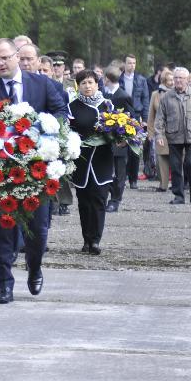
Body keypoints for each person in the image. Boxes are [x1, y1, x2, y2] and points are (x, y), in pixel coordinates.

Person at [0, 38, 68, 304]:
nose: (1, 63)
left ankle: (34, 266)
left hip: (37, 169)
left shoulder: (42, 84)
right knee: (3, 228)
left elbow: (61, 111)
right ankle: (5, 285)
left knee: (37, 229)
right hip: (2, 171)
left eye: (5, 58)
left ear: (17, 57)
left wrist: (46, 130)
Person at [69, 70, 115, 254]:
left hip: (102, 160)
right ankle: (86, 239)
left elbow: (118, 129)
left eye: (90, 82)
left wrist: (119, 138)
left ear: (97, 84)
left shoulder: (108, 105)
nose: (87, 86)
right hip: (82, 161)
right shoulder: (73, 107)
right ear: (78, 86)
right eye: (83, 83)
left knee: (99, 199)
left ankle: (95, 240)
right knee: (84, 202)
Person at [155, 67, 191, 205]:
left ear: (187, 79)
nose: (178, 80)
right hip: (174, 136)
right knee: (175, 166)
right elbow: (160, 118)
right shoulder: (166, 97)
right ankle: (179, 196)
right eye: (176, 77)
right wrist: (159, 135)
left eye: (181, 78)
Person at [101, 66, 134, 212]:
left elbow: (130, 117)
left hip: (119, 138)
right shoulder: (102, 94)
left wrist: (127, 137)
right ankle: (107, 195)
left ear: (107, 79)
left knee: (120, 172)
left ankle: (115, 200)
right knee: (106, 170)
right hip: (105, 139)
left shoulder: (123, 96)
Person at [118, 54, 150, 189]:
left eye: (134, 63)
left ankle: (133, 179)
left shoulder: (141, 80)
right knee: (121, 148)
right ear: (124, 64)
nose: (132, 65)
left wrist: (146, 119)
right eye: (129, 63)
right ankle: (121, 177)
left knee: (135, 149)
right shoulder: (119, 79)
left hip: (136, 116)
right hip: (121, 115)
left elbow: (145, 99)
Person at [147, 68, 174, 192]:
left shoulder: (177, 93)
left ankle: (177, 183)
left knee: (177, 159)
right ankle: (163, 185)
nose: (173, 82)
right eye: (170, 80)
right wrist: (150, 132)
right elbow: (151, 115)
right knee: (161, 159)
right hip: (160, 131)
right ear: (163, 80)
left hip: (175, 131)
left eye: (173, 79)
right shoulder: (155, 94)